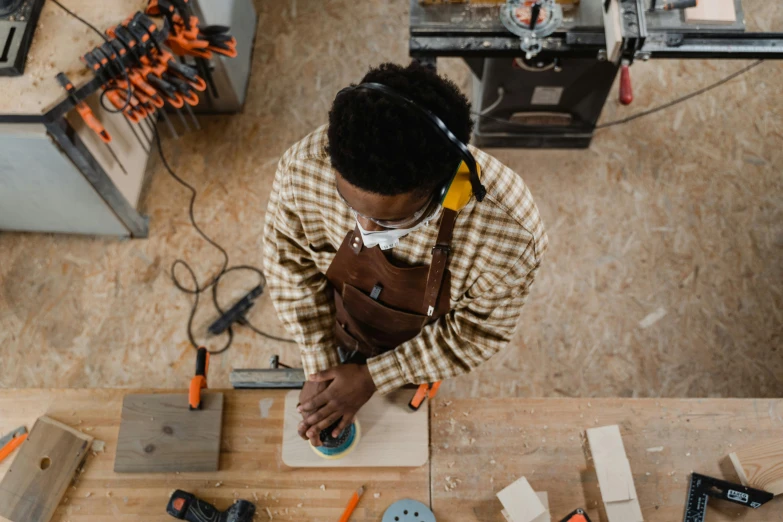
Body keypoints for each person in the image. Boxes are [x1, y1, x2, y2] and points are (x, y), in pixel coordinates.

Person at [263, 62, 548, 447]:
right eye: (352, 207)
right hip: (339, 326)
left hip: (423, 349)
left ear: (444, 186)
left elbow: (477, 332)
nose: (365, 229)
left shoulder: (511, 235)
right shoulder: (304, 169)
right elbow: (288, 266)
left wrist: (373, 378)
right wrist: (322, 368)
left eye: (387, 220)